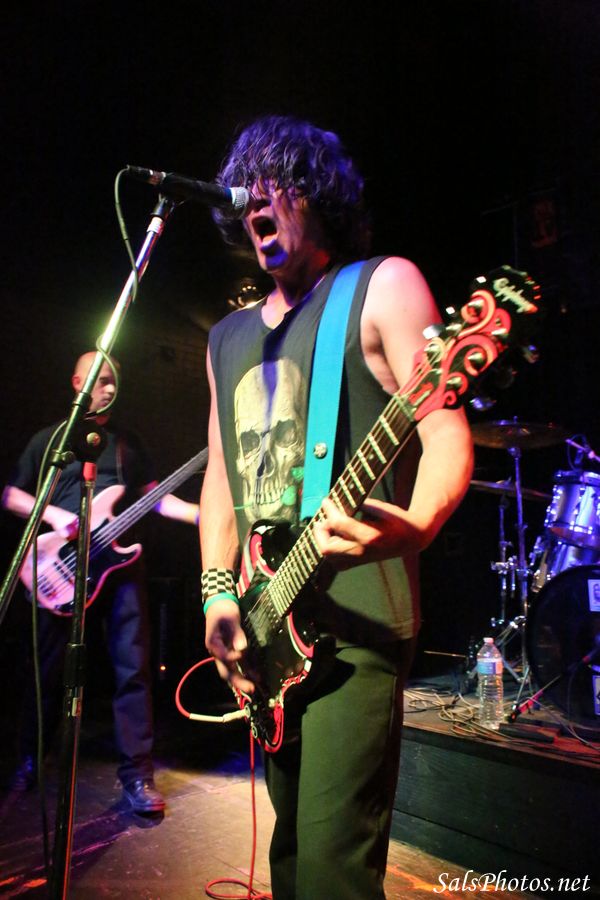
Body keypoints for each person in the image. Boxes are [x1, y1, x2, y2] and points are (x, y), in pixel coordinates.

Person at [199, 115, 474, 898]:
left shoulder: (383, 286)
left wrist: (418, 525)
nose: (253, 198)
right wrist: (218, 594)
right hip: (267, 622)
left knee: (332, 873)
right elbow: (221, 478)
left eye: (273, 180)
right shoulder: (226, 338)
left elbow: (446, 431)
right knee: (290, 861)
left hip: (359, 626)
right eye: (243, 186)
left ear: (315, 193)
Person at [2, 351, 199, 813]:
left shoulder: (127, 444)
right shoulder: (50, 440)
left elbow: (154, 499)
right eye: (101, 380)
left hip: (118, 566)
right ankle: (30, 757)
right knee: (46, 671)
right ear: (78, 383)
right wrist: (55, 516)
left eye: (115, 381)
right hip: (59, 568)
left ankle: (137, 776)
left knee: (134, 670)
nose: (110, 388)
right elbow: (11, 493)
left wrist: (200, 515)